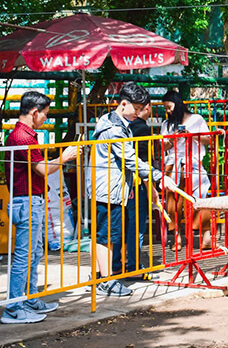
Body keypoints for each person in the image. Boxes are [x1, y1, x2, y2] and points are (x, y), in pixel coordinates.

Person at [2, 91, 78, 324]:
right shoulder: (23, 137)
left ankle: (28, 298)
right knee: (24, 257)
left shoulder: (23, 135)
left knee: (32, 255)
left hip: (29, 200)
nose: (46, 118)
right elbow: (42, 169)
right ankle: (14, 307)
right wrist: (64, 157)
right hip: (26, 201)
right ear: (34, 112)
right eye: (44, 114)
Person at [90, 82, 169, 297]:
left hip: (109, 187)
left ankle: (101, 276)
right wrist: (159, 176)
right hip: (109, 190)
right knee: (107, 237)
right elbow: (131, 160)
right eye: (136, 108)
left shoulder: (108, 120)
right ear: (123, 104)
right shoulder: (115, 129)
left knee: (104, 236)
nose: (138, 113)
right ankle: (107, 281)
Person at [160, 90, 212, 250]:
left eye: (169, 107)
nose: (168, 111)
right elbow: (162, 146)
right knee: (172, 202)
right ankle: (177, 238)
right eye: (166, 108)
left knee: (200, 197)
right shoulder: (166, 124)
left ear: (178, 103)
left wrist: (191, 135)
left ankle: (206, 235)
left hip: (193, 163)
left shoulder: (197, 119)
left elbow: (208, 139)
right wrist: (173, 138)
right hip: (173, 164)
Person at [124, 102, 152, 279]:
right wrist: (149, 184)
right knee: (136, 225)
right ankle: (134, 266)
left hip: (125, 182)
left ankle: (120, 263)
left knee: (125, 224)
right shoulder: (141, 129)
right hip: (136, 182)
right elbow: (141, 160)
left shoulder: (124, 127)